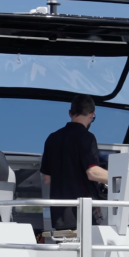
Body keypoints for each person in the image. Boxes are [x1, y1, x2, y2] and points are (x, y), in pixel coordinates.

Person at [40, 94, 109, 230]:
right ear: (91, 114)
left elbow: (47, 179)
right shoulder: (87, 137)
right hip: (82, 215)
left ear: (70, 113)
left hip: (60, 218)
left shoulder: (52, 138)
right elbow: (92, 172)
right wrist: (120, 179)